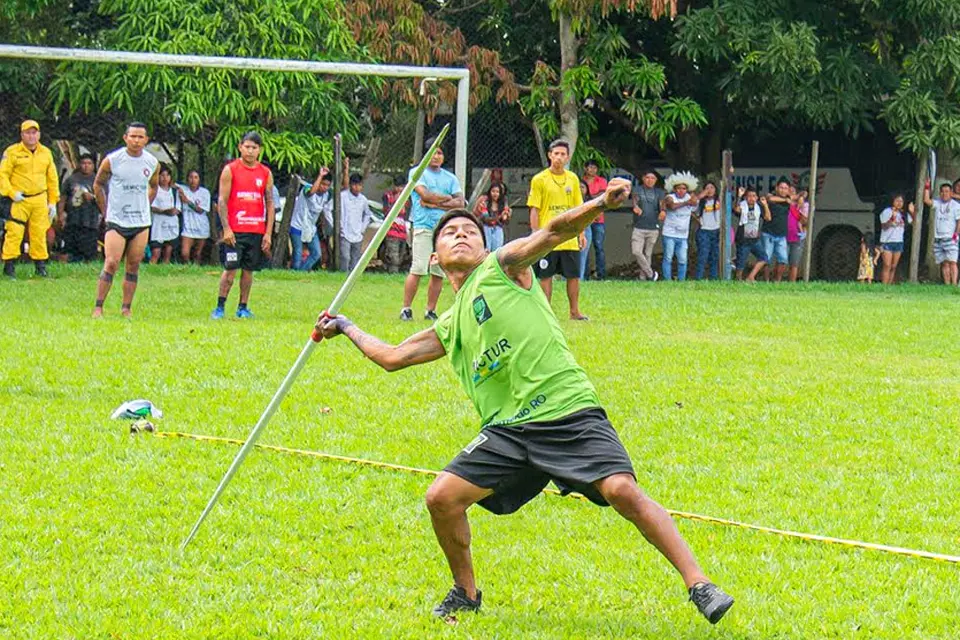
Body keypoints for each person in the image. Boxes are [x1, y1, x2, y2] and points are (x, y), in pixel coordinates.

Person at [314, 178, 734, 626]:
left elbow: (551, 232)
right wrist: (345, 325)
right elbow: (393, 357)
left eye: (470, 231)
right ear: (434, 259)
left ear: (484, 244)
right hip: (508, 433)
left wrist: (598, 204)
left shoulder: (503, 267)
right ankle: (466, 592)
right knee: (442, 498)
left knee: (621, 490)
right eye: (450, 232)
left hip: (566, 408)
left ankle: (699, 585)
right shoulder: (450, 324)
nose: (461, 234)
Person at [91, 122, 159, 317]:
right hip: (117, 220)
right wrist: (105, 210)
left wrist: (146, 203)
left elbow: (154, 186)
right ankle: (98, 306)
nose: (136, 141)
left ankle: (126, 308)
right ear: (125, 138)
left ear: (146, 140)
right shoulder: (113, 160)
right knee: (111, 262)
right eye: (133, 137)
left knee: (133, 264)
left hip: (140, 222)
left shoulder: (152, 162)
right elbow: (98, 185)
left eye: (140, 137)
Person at [211, 131, 275, 319]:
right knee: (230, 270)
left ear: (260, 150)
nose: (250, 151)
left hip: (256, 230)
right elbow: (221, 201)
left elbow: (270, 203)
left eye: (254, 148)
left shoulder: (265, 173)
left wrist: (268, 233)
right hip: (235, 231)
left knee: (248, 271)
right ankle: (220, 307)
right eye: (247, 147)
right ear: (240, 147)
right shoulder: (230, 170)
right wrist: (226, 229)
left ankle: (243, 307)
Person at [400, 138, 464, 321]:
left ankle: (430, 310)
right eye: (433, 153)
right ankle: (406, 308)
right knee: (419, 268)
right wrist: (443, 200)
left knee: (438, 272)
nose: (436, 157)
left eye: (439, 153)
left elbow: (460, 202)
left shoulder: (450, 178)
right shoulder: (417, 172)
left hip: (444, 230)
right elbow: (424, 195)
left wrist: (433, 203)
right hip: (423, 227)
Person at [527, 139, 588, 320]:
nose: (559, 157)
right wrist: (535, 233)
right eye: (556, 154)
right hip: (548, 237)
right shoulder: (539, 179)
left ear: (568, 157)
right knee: (545, 276)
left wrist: (581, 232)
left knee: (573, 275)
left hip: (569, 236)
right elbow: (534, 209)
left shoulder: (573, 178)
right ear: (549, 155)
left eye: (563, 154)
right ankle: (547, 312)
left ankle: (574, 312)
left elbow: (579, 209)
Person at [1, 120, 60, 278]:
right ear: (22, 135)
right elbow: (3, 175)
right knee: (14, 232)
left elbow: (52, 179)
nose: (31, 136)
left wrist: (53, 201)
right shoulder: (12, 152)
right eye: (28, 133)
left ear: (39, 134)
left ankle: (40, 267)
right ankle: (9, 267)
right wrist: (11, 193)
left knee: (39, 232)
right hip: (19, 199)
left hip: (39, 198)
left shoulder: (46, 153)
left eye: (34, 133)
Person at [58, 153, 100, 263]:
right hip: (73, 219)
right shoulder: (71, 179)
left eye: (89, 163)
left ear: (93, 165)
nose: (86, 166)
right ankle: (66, 267)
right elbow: (63, 197)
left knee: (89, 250)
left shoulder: (98, 180)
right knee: (69, 248)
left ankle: (87, 268)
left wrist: (93, 198)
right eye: (83, 163)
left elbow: (104, 199)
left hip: (90, 220)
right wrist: (61, 214)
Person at [290, 168, 333, 271]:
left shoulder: (327, 195)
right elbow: (311, 192)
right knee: (298, 253)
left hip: (310, 228)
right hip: (297, 226)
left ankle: (301, 272)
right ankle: (295, 274)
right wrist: (320, 175)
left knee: (316, 253)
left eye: (327, 185)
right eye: (323, 184)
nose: (325, 188)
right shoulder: (306, 188)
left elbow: (343, 188)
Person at [660, 172, 699, 281]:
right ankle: (667, 280)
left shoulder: (690, 198)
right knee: (668, 258)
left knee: (682, 259)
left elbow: (695, 207)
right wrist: (687, 202)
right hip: (669, 234)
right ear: (674, 189)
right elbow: (672, 206)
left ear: (687, 189)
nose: (680, 191)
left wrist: (693, 200)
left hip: (683, 235)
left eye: (683, 188)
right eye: (678, 188)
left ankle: (681, 281)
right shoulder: (669, 197)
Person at [333, 173, 374, 273]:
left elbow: (368, 214)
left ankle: (352, 279)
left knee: (355, 259)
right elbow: (328, 208)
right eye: (355, 185)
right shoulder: (342, 196)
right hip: (344, 232)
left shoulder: (363, 199)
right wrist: (336, 225)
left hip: (357, 234)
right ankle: (342, 276)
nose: (357, 188)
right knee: (345, 257)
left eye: (359, 185)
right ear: (350, 185)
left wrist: (362, 228)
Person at [923, 181, 960, 285]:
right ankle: (947, 284)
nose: (945, 194)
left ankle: (954, 284)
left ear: (951, 192)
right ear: (940, 193)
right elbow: (926, 200)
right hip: (938, 238)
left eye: (947, 191)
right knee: (944, 263)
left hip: (950, 238)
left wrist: (956, 235)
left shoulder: (956, 205)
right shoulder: (938, 202)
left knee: (953, 262)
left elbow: (959, 221)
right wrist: (927, 187)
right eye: (942, 192)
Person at [631, 169, 664, 281]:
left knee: (648, 254)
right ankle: (651, 274)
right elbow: (635, 201)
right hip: (639, 227)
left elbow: (662, 205)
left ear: (656, 180)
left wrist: (663, 211)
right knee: (636, 251)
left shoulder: (659, 192)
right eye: (648, 177)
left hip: (653, 227)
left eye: (653, 178)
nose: (650, 180)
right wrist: (635, 207)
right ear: (643, 178)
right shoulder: (637, 189)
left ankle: (643, 278)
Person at [760, 179, 792, 282]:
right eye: (781, 188)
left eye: (786, 188)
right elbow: (770, 198)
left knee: (783, 260)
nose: (783, 190)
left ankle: (777, 281)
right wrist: (785, 200)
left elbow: (801, 195)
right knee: (766, 259)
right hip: (768, 233)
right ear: (776, 188)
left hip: (781, 235)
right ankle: (766, 281)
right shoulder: (771, 197)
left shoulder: (789, 200)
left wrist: (790, 198)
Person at [581, 159, 608, 280]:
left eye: (595, 168)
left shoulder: (601, 181)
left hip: (598, 219)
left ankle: (601, 275)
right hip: (584, 219)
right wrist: (595, 197)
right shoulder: (580, 181)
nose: (592, 170)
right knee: (584, 246)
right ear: (585, 168)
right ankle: (585, 275)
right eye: (590, 167)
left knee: (599, 246)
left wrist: (588, 197)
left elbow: (603, 197)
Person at [878, 194, 913, 285]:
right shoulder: (887, 211)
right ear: (892, 201)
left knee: (894, 266)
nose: (899, 203)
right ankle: (884, 286)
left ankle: (889, 285)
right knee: (887, 265)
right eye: (897, 201)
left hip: (899, 242)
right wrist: (891, 219)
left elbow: (914, 222)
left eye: (901, 201)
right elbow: (884, 226)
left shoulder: (904, 214)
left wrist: (912, 212)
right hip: (887, 242)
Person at [148, 164, 180, 265]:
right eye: (162, 175)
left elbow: (178, 208)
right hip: (158, 224)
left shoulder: (175, 191)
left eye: (167, 175)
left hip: (171, 224)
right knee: (156, 253)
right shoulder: (154, 190)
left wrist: (174, 211)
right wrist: (165, 211)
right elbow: (152, 207)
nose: (165, 178)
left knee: (168, 252)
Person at [179, 170, 212, 265]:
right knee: (184, 253)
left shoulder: (205, 192)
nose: (193, 180)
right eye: (190, 177)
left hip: (201, 226)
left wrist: (187, 201)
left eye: (195, 177)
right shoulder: (183, 190)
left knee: (197, 254)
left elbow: (201, 210)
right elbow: (172, 183)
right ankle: (187, 268)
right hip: (188, 227)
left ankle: (195, 271)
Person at [735, 188, 768, 282]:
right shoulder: (742, 205)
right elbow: (737, 210)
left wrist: (765, 205)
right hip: (743, 240)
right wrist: (739, 196)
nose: (751, 198)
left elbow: (767, 217)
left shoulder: (759, 207)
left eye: (754, 196)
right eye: (749, 196)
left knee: (763, 258)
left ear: (757, 197)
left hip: (755, 240)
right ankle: (738, 280)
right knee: (741, 263)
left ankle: (750, 277)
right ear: (745, 197)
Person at [382, 174, 410, 274]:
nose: (399, 189)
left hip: (402, 232)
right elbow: (386, 212)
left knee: (401, 256)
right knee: (394, 257)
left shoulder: (407, 198)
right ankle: (393, 274)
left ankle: (396, 274)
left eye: (401, 187)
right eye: (397, 186)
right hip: (391, 231)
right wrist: (397, 202)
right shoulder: (387, 196)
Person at [472, 182, 511, 252]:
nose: (495, 194)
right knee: (486, 249)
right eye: (493, 191)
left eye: (497, 192)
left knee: (497, 251)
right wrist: (500, 216)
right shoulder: (485, 203)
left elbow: (505, 220)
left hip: (498, 229)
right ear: (489, 192)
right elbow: (486, 219)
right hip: (486, 228)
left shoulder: (503, 204)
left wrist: (507, 215)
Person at [694, 181, 720, 280]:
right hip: (704, 231)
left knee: (715, 256)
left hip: (716, 231)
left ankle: (713, 278)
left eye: (712, 187)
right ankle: (698, 278)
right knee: (703, 256)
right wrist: (701, 196)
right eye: (707, 188)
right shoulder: (700, 202)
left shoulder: (719, 201)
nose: (709, 190)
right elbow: (691, 209)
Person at [786, 186, 809, 283]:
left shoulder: (804, 205)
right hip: (785, 235)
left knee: (794, 263)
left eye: (793, 191)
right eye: (789, 191)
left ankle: (792, 283)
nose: (791, 193)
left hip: (797, 236)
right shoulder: (784, 202)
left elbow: (802, 219)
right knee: (782, 261)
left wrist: (793, 205)